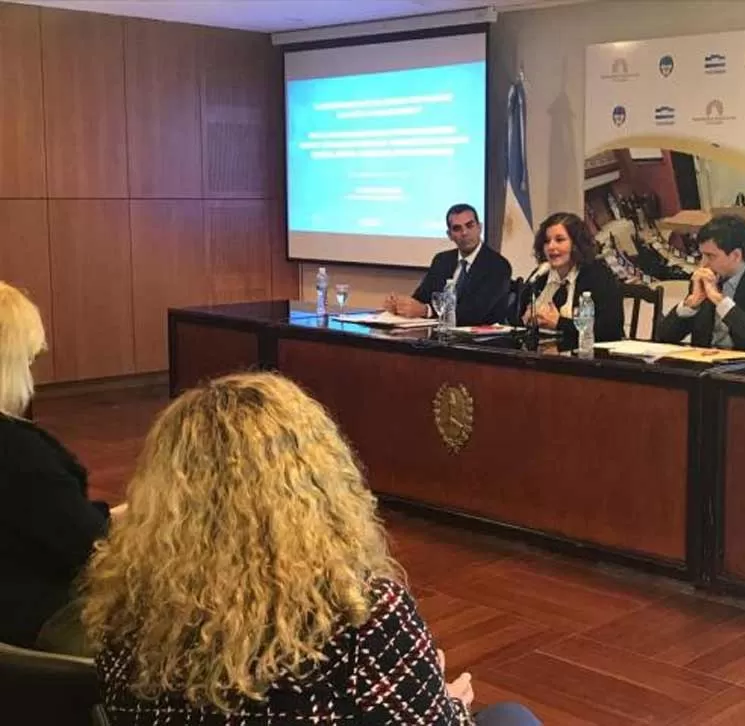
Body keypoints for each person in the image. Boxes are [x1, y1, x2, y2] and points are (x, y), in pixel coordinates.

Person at [82, 372, 539, 726]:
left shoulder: (124, 599)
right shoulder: (361, 614)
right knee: (510, 717)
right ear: (319, 478)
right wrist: (444, 703)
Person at [0, 281, 123, 653]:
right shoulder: (17, 453)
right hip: (34, 623)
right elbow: (92, 551)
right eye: (28, 361)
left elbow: (47, 518)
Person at [656, 215, 745, 352]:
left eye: (710, 256)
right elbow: (664, 337)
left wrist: (719, 299)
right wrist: (690, 304)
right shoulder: (703, 279)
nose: (703, 263)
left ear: (736, 255)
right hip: (703, 367)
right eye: (702, 255)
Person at [385, 203, 512, 326]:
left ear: (480, 228)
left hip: (481, 342)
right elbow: (421, 298)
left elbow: (474, 314)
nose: (464, 233)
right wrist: (401, 306)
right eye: (457, 228)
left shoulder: (498, 266)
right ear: (449, 235)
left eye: (470, 226)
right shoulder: (442, 260)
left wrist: (426, 310)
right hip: (440, 338)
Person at [521, 211, 624, 347]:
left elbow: (610, 331)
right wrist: (526, 318)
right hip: (545, 353)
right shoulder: (541, 275)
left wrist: (559, 323)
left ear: (576, 244)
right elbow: (517, 316)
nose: (551, 247)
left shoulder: (598, 275)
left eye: (559, 240)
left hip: (588, 359)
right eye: (547, 241)